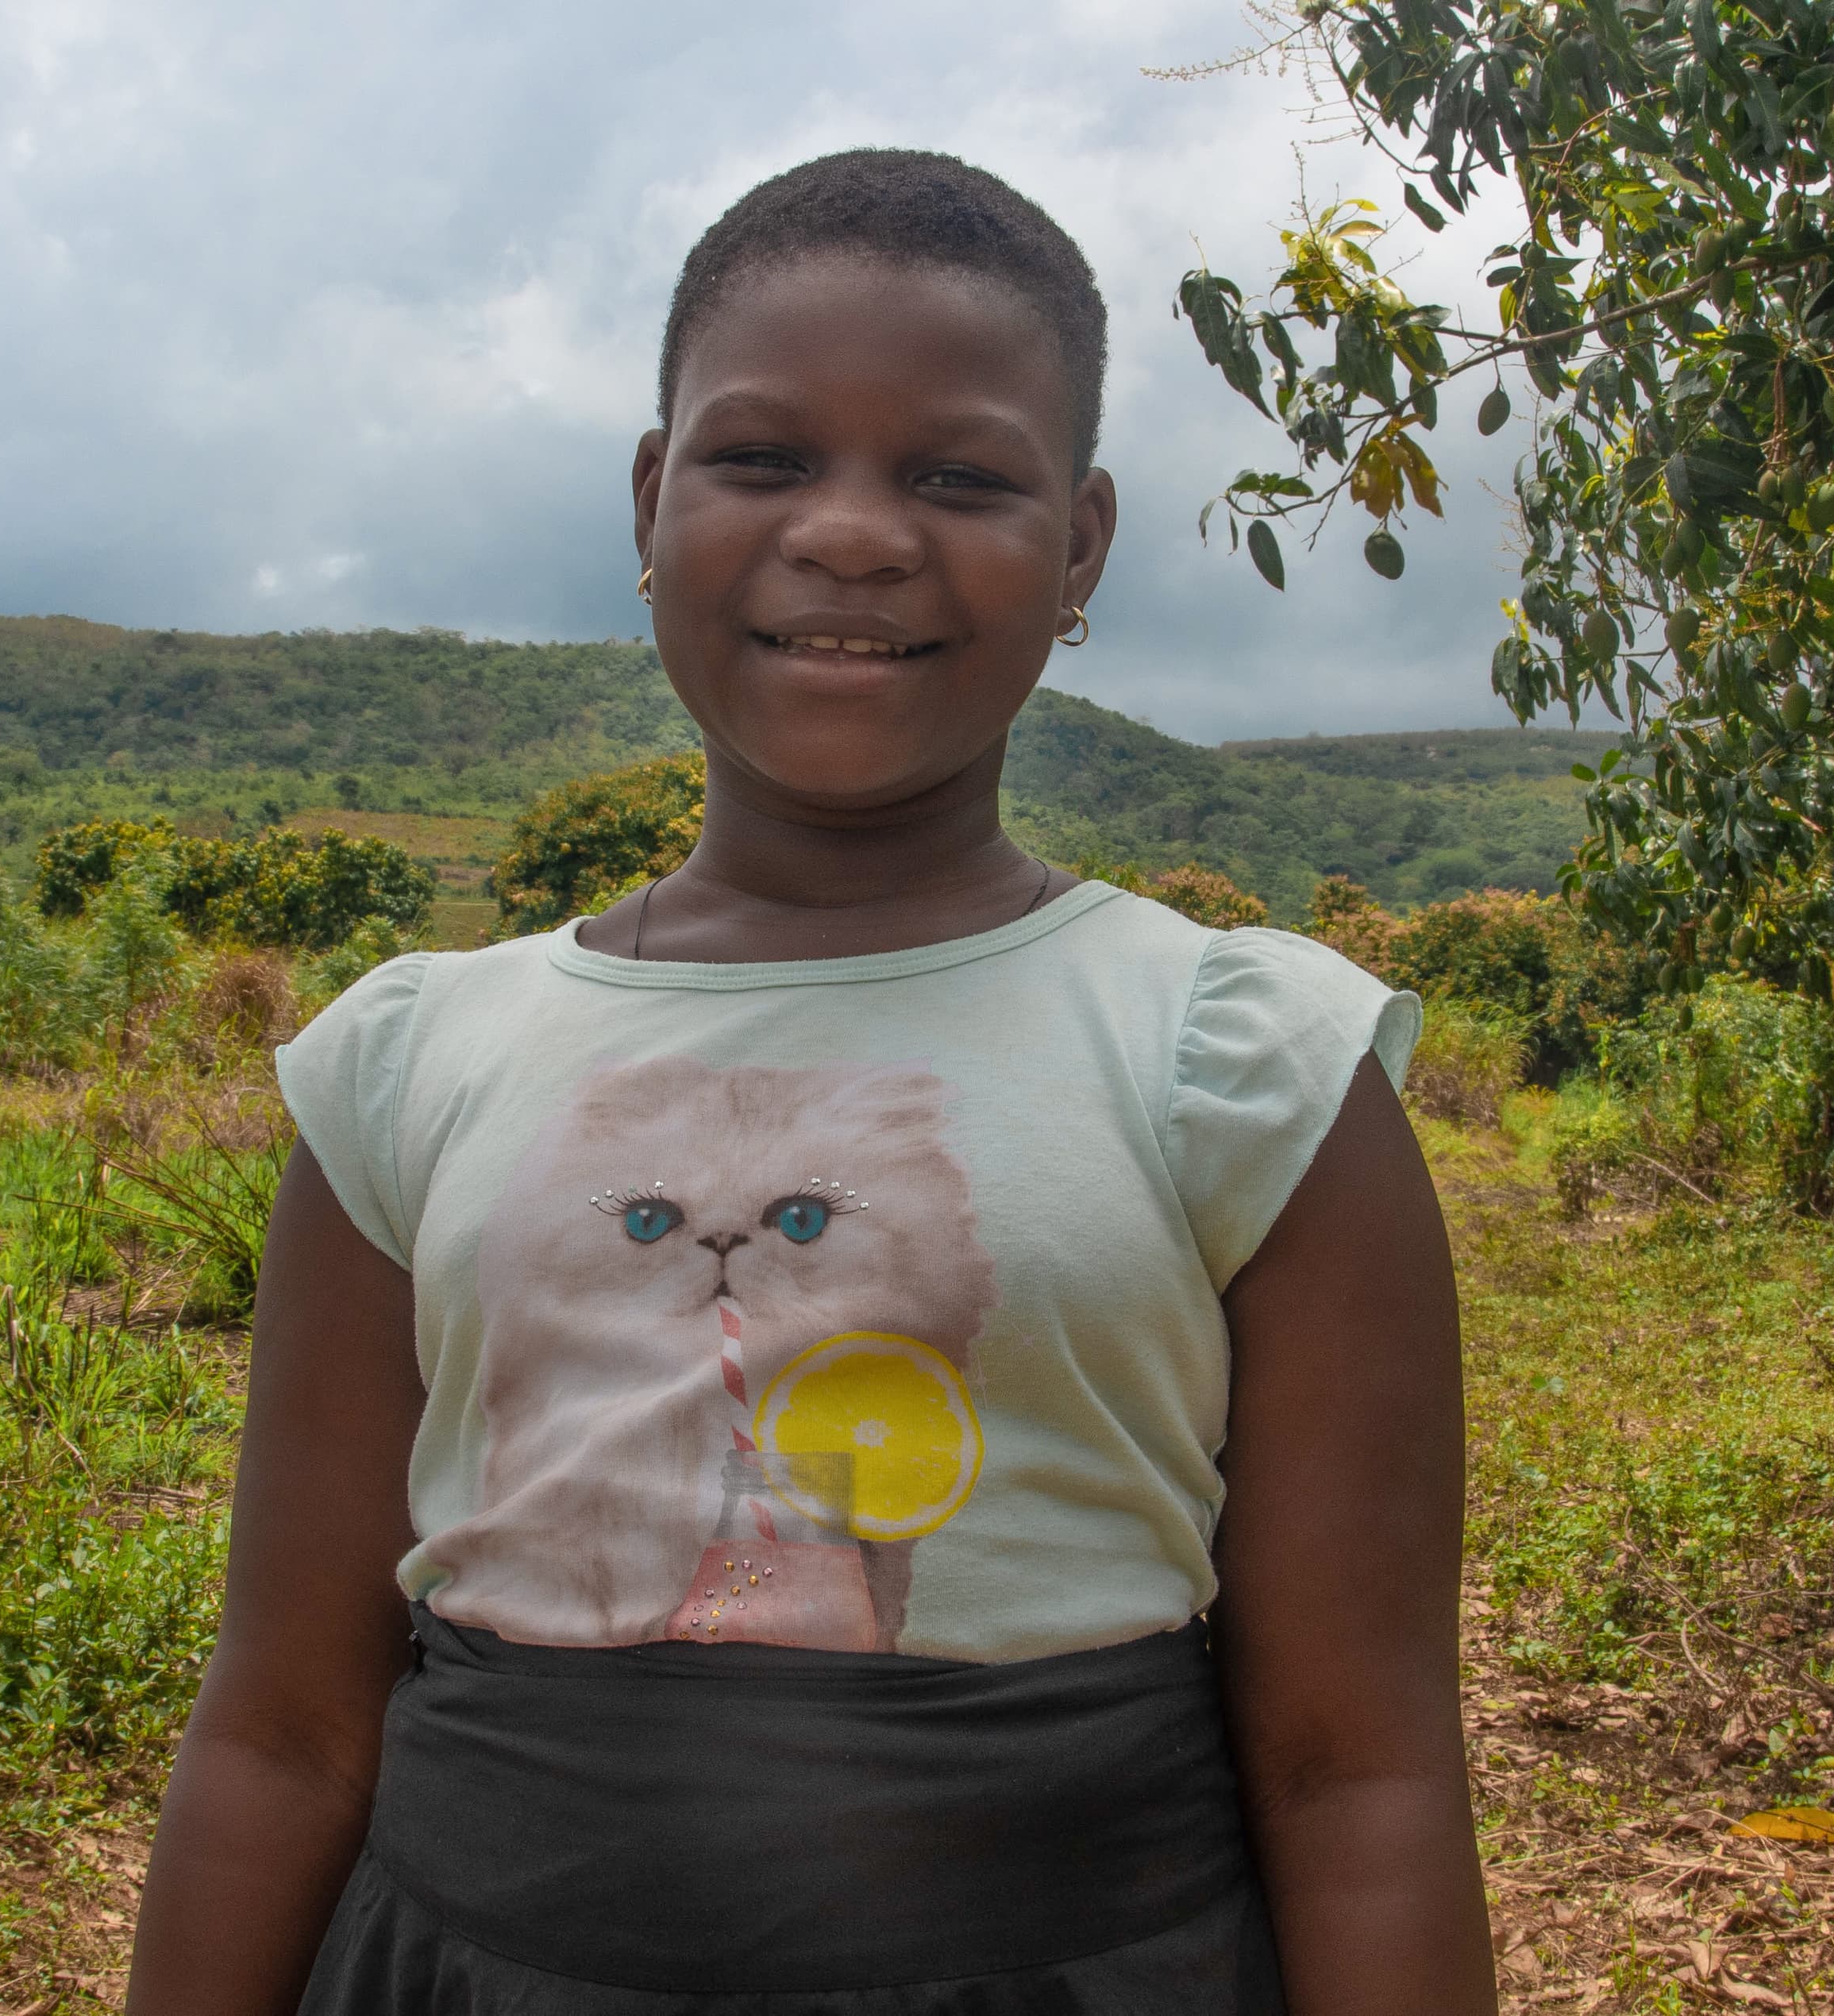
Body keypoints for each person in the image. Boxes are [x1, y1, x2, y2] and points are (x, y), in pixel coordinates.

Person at [124, 148, 1493, 2016]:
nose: (853, 533)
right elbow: (285, 1729)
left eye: (959, 474)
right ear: (651, 495)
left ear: (1081, 544)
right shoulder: (416, 1061)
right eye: (764, 457)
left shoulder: (1242, 1063)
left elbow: (1362, 1769)